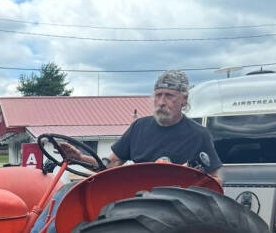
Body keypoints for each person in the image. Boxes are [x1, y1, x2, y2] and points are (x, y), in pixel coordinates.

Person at [60, 70, 222, 180]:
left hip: (177, 205)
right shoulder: (139, 127)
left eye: (169, 96)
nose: (161, 102)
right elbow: (111, 164)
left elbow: (214, 179)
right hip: (135, 197)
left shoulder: (198, 134)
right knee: (63, 194)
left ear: (184, 99)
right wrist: (80, 158)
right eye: (158, 95)